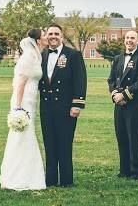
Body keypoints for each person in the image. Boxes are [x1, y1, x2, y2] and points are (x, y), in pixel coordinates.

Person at [39, 23, 87, 187]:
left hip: (66, 108)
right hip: (46, 107)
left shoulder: (73, 55)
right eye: (50, 33)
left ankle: (66, 180)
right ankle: (50, 180)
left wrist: (77, 104)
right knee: (49, 143)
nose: (53, 36)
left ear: (62, 36)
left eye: (56, 34)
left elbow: (80, 80)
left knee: (65, 143)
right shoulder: (43, 55)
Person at [0, 28, 47, 190]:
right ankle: (18, 176)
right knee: (23, 135)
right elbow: (20, 83)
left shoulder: (36, 55)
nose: (47, 37)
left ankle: (27, 173)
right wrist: (18, 108)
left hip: (31, 100)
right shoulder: (28, 57)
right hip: (24, 100)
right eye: (45, 35)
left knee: (28, 134)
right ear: (38, 40)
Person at [107, 30, 138, 180]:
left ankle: (137, 171)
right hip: (119, 105)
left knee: (135, 138)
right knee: (121, 137)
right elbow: (111, 80)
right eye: (127, 38)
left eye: (132, 38)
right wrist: (114, 95)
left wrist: (125, 95)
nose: (129, 40)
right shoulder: (118, 58)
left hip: (134, 105)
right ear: (124, 40)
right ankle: (124, 170)